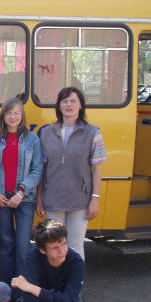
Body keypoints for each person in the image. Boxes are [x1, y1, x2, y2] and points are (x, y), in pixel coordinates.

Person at [36, 87, 106, 260]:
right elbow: (42, 169)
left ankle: (75, 278)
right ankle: (56, 277)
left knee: (75, 245)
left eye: (73, 101)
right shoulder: (47, 133)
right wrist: (39, 198)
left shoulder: (93, 132)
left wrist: (95, 199)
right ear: (59, 106)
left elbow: (97, 169)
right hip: (53, 199)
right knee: (54, 245)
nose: (69, 105)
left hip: (80, 200)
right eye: (65, 101)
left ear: (80, 105)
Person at [3, 219, 91, 302]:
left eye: (64, 243)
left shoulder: (76, 262)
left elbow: (69, 301)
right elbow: (30, 299)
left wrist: (34, 289)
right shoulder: (33, 257)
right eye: (55, 248)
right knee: (25, 300)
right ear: (42, 250)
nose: (62, 251)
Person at [0, 98, 43, 297]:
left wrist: (21, 192)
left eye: (16, 113)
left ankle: (22, 290)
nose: (12, 117)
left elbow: (37, 170)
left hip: (24, 199)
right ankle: (6, 289)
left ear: (22, 116)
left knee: (23, 246)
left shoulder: (32, 140)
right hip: (1, 198)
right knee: (6, 245)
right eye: (9, 113)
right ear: (3, 116)